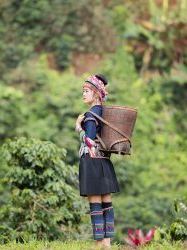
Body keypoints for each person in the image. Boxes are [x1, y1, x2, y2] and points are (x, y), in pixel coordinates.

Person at [75, 74, 120, 249]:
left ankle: (98, 243)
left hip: (92, 160)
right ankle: (107, 242)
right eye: (83, 91)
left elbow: (90, 140)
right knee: (106, 202)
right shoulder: (103, 111)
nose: (83, 94)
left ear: (95, 93)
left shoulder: (91, 114)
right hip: (104, 160)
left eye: (86, 91)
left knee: (95, 203)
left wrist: (78, 127)